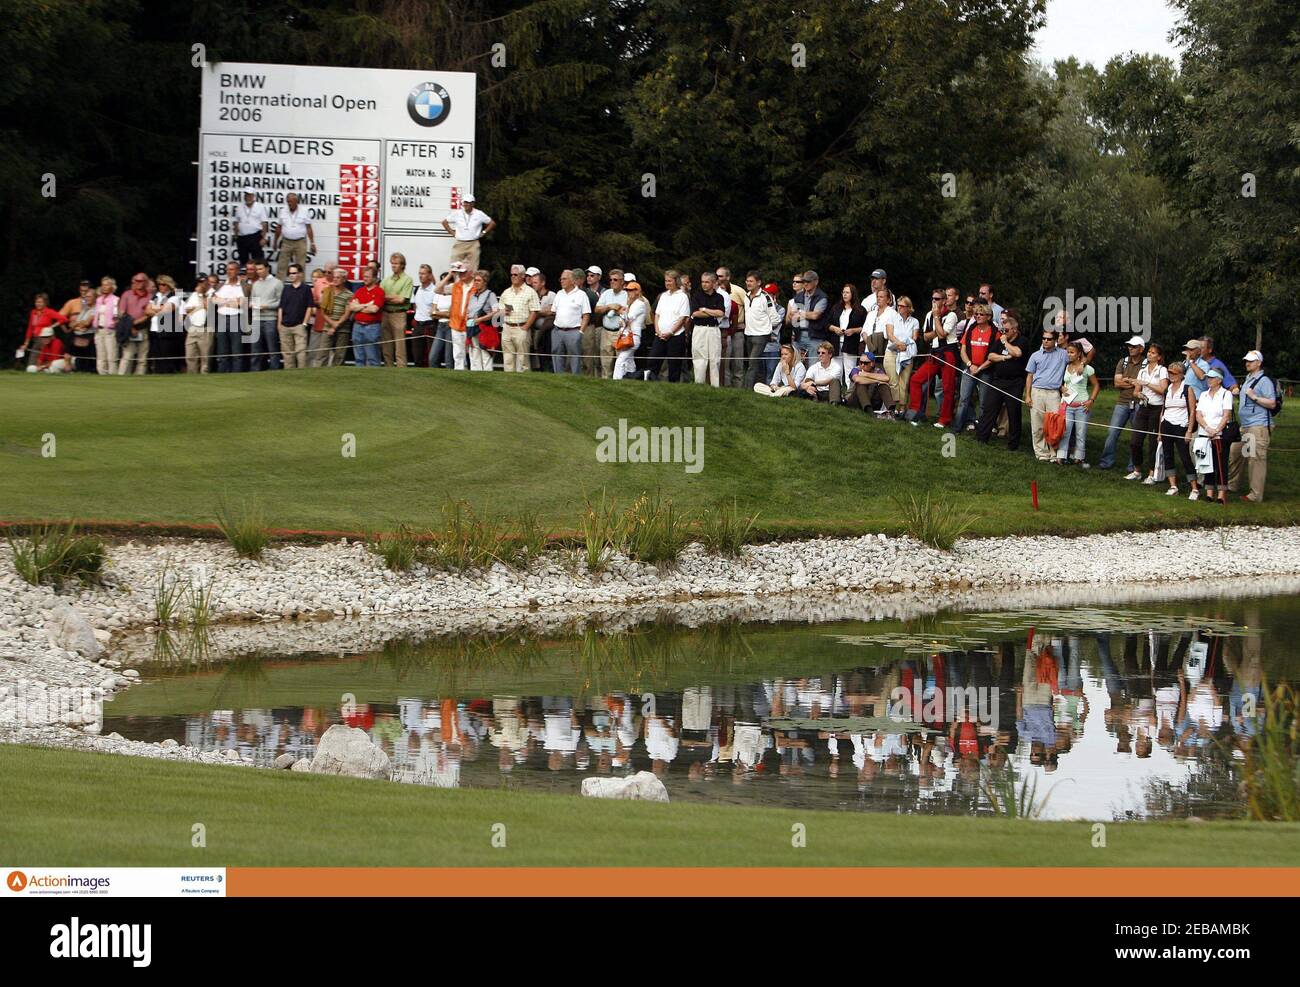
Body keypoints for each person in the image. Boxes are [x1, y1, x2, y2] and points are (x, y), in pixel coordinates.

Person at [1229, 350, 1278, 503]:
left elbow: (1272, 403)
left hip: (1258, 426)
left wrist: (1254, 397)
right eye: (1246, 360)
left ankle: (1255, 495)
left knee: (1255, 459)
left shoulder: (1264, 381)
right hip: (1245, 426)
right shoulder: (1249, 378)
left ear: (1259, 363)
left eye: (1250, 361)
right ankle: (1231, 485)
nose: (1247, 363)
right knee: (1236, 453)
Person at [975, 309, 1028, 450]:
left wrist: (1006, 345)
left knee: (1014, 413)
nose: (1003, 333)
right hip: (998, 381)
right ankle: (982, 438)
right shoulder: (1000, 341)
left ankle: (1013, 445)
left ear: (1015, 330)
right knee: (989, 409)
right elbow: (991, 356)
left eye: (1006, 330)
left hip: (1015, 383)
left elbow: (1017, 353)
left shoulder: (1022, 341)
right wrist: (1005, 357)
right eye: (1003, 330)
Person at [905, 289, 959, 424]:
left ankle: (944, 419)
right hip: (935, 352)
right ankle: (914, 412)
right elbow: (926, 337)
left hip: (948, 353)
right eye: (933, 299)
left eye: (937, 299)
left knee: (948, 387)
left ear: (944, 301)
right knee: (916, 380)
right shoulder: (929, 314)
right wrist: (936, 329)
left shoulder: (951, 315)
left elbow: (942, 335)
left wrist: (936, 318)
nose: (934, 301)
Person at [1098, 336, 1147, 471]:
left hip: (1139, 403)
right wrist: (1134, 382)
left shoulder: (1147, 363)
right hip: (1122, 402)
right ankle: (1106, 461)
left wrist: (1128, 381)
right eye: (1129, 346)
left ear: (1141, 349)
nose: (1130, 348)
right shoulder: (1123, 361)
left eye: (1134, 346)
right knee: (1112, 432)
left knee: (1136, 436)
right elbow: (1117, 383)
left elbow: (1144, 385)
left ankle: (1133, 466)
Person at [1152, 362, 1198, 499]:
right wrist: (1160, 431)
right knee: (1167, 455)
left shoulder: (1188, 389)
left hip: (1181, 425)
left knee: (1185, 457)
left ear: (1181, 374)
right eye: (1169, 372)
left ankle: (1194, 488)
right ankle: (1173, 486)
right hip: (1167, 424)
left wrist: (1189, 430)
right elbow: (1163, 410)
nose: (1171, 375)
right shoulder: (1168, 389)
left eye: (1174, 373)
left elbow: (1192, 411)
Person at [1024, 328, 1069, 462]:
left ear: (1055, 341)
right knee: (1037, 425)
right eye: (1044, 338)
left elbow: (1079, 356)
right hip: (1037, 391)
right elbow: (1029, 376)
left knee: (1054, 425)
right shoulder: (1035, 355)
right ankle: (1041, 454)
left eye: (1049, 339)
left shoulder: (1063, 354)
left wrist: (1082, 363)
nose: (1045, 341)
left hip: (1054, 393)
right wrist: (1027, 395)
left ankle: (1054, 454)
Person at [951, 302, 997, 433]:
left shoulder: (994, 332)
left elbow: (993, 355)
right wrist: (970, 365)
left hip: (986, 370)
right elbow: (963, 350)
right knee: (963, 399)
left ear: (988, 316)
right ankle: (957, 427)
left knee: (983, 402)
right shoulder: (971, 329)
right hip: (970, 368)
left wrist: (980, 368)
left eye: (981, 314)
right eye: (976, 314)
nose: (977, 316)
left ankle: (982, 431)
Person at [1126, 343, 1168, 480]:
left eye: (1153, 353)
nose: (1150, 354)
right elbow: (1136, 391)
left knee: (1152, 442)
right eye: (1149, 352)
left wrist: (1147, 384)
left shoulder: (1162, 370)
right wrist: (1140, 394)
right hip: (1144, 407)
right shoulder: (1142, 371)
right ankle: (1137, 470)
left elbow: (1163, 390)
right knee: (1135, 441)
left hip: (1156, 408)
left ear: (1159, 357)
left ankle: (1152, 473)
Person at [1194, 368, 1234, 503]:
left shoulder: (1225, 394)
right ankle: (1209, 492)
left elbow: (1226, 415)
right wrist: (1207, 428)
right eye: (1208, 378)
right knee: (1206, 463)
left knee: (1221, 463)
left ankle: (1222, 494)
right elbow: (1198, 414)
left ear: (1219, 380)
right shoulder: (1204, 394)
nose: (1209, 380)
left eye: (1212, 378)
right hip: (1204, 433)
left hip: (1219, 434)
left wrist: (1216, 430)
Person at [1058, 340, 1098, 466]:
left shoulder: (1088, 369)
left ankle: (1079, 458)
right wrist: (1061, 388)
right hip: (1068, 405)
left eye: (1072, 352)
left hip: (1082, 405)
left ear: (1079, 353)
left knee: (1081, 433)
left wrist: (1091, 400)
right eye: (1068, 352)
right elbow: (1063, 383)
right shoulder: (1065, 367)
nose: (1069, 354)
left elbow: (1096, 385)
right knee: (1065, 431)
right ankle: (1061, 457)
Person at [648, 270, 689, 382]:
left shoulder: (682, 296)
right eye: (666, 281)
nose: (667, 283)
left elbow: (683, 317)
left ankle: (673, 387)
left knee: (674, 365)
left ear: (676, 281)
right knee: (653, 360)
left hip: (675, 336)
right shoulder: (663, 296)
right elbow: (657, 314)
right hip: (660, 335)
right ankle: (651, 383)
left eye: (669, 281)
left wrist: (670, 332)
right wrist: (657, 331)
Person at [742, 271, 781, 388]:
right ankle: (758, 388)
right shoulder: (746, 296)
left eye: (751, 281)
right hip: (748, 334)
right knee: (754, 364)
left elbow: (776, 318)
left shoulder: (766, 297)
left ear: (758, 283)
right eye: (747, 281)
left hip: (761, 335)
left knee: (752, 364)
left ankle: (747, 390)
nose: (748, 283)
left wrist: (767, 329)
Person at [551, 268, 591, 374]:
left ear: (572, 280)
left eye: (564, 279)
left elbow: (586, 315)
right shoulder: (559, 293)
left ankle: (576, 378)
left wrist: (581, 332)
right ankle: (558, 378)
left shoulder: (581, 295)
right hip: (558, 330)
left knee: (575, 357)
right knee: (556, 355)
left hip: (574, 330)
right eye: (561, 279)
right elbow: (554, 311)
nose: (561, 281)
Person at [312, 267, 354, 368]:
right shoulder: (326, 291)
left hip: (343, 328)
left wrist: (335, 326)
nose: (335, 279)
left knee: (340, 355)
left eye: (338, 278)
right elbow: (323, 311)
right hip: (327, 327)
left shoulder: (350, 294)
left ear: (344, 279)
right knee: (322, 353)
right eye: (334, 277)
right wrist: (332, 325)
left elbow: (347, 313)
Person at [441, 193, 494, 272]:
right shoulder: (457, 213)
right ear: (463, 203)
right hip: (460, 244)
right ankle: (456, 284)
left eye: (470, 202)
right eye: (466, 202)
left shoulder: (479, 214)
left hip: (473, 244)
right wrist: (452, 233)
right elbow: (444, 222)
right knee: (454, 268)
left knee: (472, 269)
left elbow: (492, 223)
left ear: (473, 203)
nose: (467, 204)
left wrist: (483, 232)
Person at [690, 271, 726, 386]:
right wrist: (712, 313)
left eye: (707, 282)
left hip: (713, 330)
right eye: (703, 282)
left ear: (714, 283)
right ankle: (699, 385)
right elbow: (695, 313)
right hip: (700, 329)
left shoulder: (719, 297)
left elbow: (721, 313)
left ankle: (715, 387)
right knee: (699, 359)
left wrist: (705, 310)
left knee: (715, 359)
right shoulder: (697, 296)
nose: (704, 284)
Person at [277, 264, 316, 369]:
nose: (291, 275)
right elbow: (281, 307)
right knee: (287, 354)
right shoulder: (286, 289)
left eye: (294, 273)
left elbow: (309, 307)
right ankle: (289, 376)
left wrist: (304, 323)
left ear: (300, 274)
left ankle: (302, 374)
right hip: (285, 325)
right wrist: (279, 324)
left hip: (299, 325)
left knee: (301, 353)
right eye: (290, 273)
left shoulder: (306, 289)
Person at [826, 284, 866, 387]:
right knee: (836, 369)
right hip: (836, 342)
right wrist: (835, 329)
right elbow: (827, 324)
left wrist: (854, 330)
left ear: (853, 294)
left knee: (850, 369)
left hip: (851, 343)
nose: (844, 294)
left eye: (847, 292)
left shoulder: (860, 310)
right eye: (843, 292)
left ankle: (850, 393)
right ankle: (836, 392)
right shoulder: (836, 308)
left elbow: (866, 327)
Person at [247, 260, 283, 371]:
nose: (258, 272)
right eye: (257, 269)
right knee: (255, 350)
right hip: (256, 319)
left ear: (267, 268)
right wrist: (252, 304)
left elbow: (281, 302)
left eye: (261, 269)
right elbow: (252, 300)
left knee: (272, 349)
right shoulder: (256, 284)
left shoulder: (277, 283)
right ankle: (255, 373)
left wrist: (266, 306)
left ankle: (274, 372)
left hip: (270, 319)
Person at [347, 262, 385, 367]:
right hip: (357, 326)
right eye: (364, 276)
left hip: (372, 327)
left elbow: (374, 309)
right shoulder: (359, 291)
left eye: (367, 277)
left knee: (372, 358)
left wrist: (359, 307)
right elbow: (352, 307)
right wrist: (366, 305)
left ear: (374, 278)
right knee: (359, 358)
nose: (365, 279)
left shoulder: (379, 291)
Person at [378, 253, 413, 368]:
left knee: (400, 345)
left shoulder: (407, 280)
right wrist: (393, 297)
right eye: (392, 263)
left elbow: (401, 300)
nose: (393, 266)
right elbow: (379, 297)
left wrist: (386, 297)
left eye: (396, 263)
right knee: (386, 344)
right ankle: (388, 368)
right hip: (385, 314)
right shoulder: (385, 280)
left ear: (402, 265)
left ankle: (401, 369)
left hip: (399, 314)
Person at [439, 263, 476, 370]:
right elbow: (437, 290)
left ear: (470, 273)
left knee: (473, 354)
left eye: (463, 272)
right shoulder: (456, 285)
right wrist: (449, 275)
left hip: (470, 324)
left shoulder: (476, 286)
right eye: (459, 272)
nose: (461, 274)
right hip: (456, 324)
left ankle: (476, 378)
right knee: (458, 355)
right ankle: (459, 377)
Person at [886, 295, 918, 417]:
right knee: (893, 381)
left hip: (906, 353)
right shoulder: (892, 317)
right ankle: (893, 407)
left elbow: (914, 337)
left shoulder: (914, 321)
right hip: (892, 351)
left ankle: (903, 408)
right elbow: (889, 334)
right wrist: (899, 343)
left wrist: (904, 345)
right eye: (898, 305)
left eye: (902, 306)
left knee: (903, 382)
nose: (899, 308)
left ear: (909, 308)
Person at [116, 272, 153, 375]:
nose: (138, 283)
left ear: (146, 282)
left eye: (140, 281)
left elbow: (149, 314)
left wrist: (135, 323)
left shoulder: (150, 297)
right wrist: (131, 326)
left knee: (142, 358)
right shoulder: (127, 294)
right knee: (127, 356)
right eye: (136, 281)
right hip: (128, 329)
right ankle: (121, 378)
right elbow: (122, 313)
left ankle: (139, 380)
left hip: (143, 329)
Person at [716, 267, 747, 387]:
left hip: (738, 331)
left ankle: (738, 389)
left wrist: (746, 324)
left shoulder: (738, 290)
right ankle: (726, 387)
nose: (719, 278)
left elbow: (750, 308)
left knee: (737, 363)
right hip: (724, 332)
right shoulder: (715, 291)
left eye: (721, 276)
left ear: (728, 277)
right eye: (717, 276)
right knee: (725, 362)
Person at [213, 262, 247, 373]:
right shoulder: (221, 285)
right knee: (222, 350)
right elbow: (214, 300)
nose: (229, 272)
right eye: (228, 270)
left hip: (236, 318)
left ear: (237, 271)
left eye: (231, 269)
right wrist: (231, 301)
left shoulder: (243, 285)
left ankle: (236, 375)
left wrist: (223, 301)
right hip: (222, 317)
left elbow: (241, 303)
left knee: (236, 350)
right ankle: (222, 374)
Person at [789, 270, 829, 363]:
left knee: (813, 367)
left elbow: (815, 315)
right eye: (804, 281)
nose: (805, 284)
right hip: (798, 334)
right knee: (795, 366)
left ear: (816, 282)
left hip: (815, 336)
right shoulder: (799, 296)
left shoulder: (822, 297)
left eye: (808, 281)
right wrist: (806, 314)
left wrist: (801, 314)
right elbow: (792, 314)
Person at [593, 269, 628, 378]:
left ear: (622, 281)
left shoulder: (627, 294)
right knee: (605, 363)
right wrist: (609, 306)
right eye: (611, 279)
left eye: (615, 279)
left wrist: (616, 310)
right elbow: (597, 309)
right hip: (606, 331)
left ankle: (621, 384)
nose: (612, 281)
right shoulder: (606, 293)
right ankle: (605, 385)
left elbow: (627, 312)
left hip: (620, 332)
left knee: (620, 362)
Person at [463, 269, 499, 371]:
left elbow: (496, 311)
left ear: (485, 282)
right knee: (474, 354)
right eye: (475, 280)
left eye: (478, 280)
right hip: (472, 327)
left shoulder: (490, 294)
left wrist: (481, 319)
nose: (475, 282)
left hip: (485, 329)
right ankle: (475, 377)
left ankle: (487, 377)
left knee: (485, 354)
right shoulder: (473, 296)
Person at [273, 192, 316, 277]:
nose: (289, 203)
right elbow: (279, 227)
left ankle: (300, 288)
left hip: (300, 242)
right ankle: (279, 288)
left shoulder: (304, 211)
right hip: (286, 242)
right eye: (288, 201)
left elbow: (309, 228)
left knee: (300, 266)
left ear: (296, 201)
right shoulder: (283, 211)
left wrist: (312, 243)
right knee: (282, 265)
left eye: (291, 201)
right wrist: (275, 241)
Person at [19, 293, 67, 368]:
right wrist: (26, 343)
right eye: (37, 302)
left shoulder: (49, 312)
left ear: (45, 303)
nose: (38, 304)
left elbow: (63, 319)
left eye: (40, 302)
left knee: (48, 361)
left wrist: (52, 326)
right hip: (36, 339)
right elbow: (30, 328)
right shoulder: (33, 312)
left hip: (46, 339)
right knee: (31, 364)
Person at [612, 278, 648, 380]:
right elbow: (622, 321)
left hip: (633, 336)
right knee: (630, 361)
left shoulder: (640, 304)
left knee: (620, 360)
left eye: (631, 290)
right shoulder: (629, 304)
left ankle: (616, 380)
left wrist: (620, 312)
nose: (629, 292)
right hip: (627, 335)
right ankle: (635, 379)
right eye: (628, 290)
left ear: (637, 291)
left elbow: (628, 318)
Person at [59, 281, 98, 372]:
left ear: (95, 298)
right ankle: (68, 365)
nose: (85, 297)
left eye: (88, 296)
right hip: (78, 334)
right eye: (85, 295)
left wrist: (77, 324)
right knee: (70, 337)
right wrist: (71, 327)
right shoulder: (82, 308)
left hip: (88, 335)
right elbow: (71, 323)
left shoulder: (95, 309)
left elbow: (86, 323)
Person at [409, 264, 441, 369]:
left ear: (429, 275)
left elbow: (437, 309)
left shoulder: (435, 290)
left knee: (432, 356)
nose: (420, 276)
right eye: (419, 273)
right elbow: (415, 306)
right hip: (418, 325)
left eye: (423, 273)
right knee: (417, 356)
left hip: (431, 325)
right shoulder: (416, 289)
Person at [844, 351, 894, 417]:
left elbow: (886, 378)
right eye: (860, 362)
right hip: (854, 400)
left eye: (865, 363)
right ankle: (869, 411)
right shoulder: (856, 369)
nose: (862, 365)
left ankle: (891, 411)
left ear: (872, 363)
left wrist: (866, 374)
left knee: (883, 385)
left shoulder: (877, 370)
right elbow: (857, 379)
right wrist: (877, 380)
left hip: (872, 399)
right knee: (860, 384)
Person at [184, 274, 214, 374]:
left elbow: (208, 307)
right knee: (190, 355)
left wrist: (201, 296)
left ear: (207, 282)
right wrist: (198, 305)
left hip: (205, 328)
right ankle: (192, 377)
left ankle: (204, 378)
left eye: (203, 282)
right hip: (193, 327)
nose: (201, 284)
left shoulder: (212, 293)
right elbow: (187, 310)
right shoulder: (193, 294)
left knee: (205, 358)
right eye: (199, 282)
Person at [231, 188, 269, 264]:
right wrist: (235, 235)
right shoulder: (239, 207)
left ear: (253, 196)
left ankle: (258, 276)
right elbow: (236, 222)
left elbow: (264, 223)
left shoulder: (260, 207)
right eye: (246, 195)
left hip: (255, 237)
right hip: (242, 238)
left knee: (258, 260)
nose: (247, 197)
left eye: (249, 195)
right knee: (243, 259)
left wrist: (264, 238)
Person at [528, 268, 555, 372]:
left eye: (535, 282)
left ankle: (550, 371)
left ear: (542, 283)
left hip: (547, 331)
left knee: (547, 352)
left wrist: (537, 313)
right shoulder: (532, 295)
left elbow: (553, 311)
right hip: (534, 329)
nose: (533, 284)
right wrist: (542, 312)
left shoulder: (552, 295)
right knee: (537, 351)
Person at [92, 276, 120, 375]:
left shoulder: (116, 300)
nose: (104, 287)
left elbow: (117, 316)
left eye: (107, 285)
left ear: (112, 287)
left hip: (110, 331)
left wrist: (113, 324)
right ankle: (101, 375)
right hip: (98, 330)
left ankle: (113, 375)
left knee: (111, 356)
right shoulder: (99, 300)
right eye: (103, 285)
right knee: (100, 356)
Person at [581, 266, 603, 376]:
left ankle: (597, 376)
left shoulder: (603, 292)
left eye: (592, 275)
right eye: (588, 275)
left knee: (597, 354)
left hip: (599, 326)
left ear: (599, 277)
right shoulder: (584, 291)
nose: (589, 278)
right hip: (588, 325)